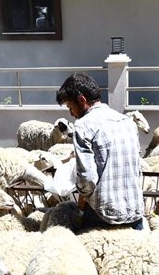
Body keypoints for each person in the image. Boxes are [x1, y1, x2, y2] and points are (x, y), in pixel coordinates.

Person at [56, 72, 144, 230]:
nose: (70, 113)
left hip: (103, 215)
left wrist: (81, 208)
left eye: (70, 106)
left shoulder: (84, 126)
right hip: (135, 212)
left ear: (82, 99)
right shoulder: (127, 122)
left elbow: (87, 181)